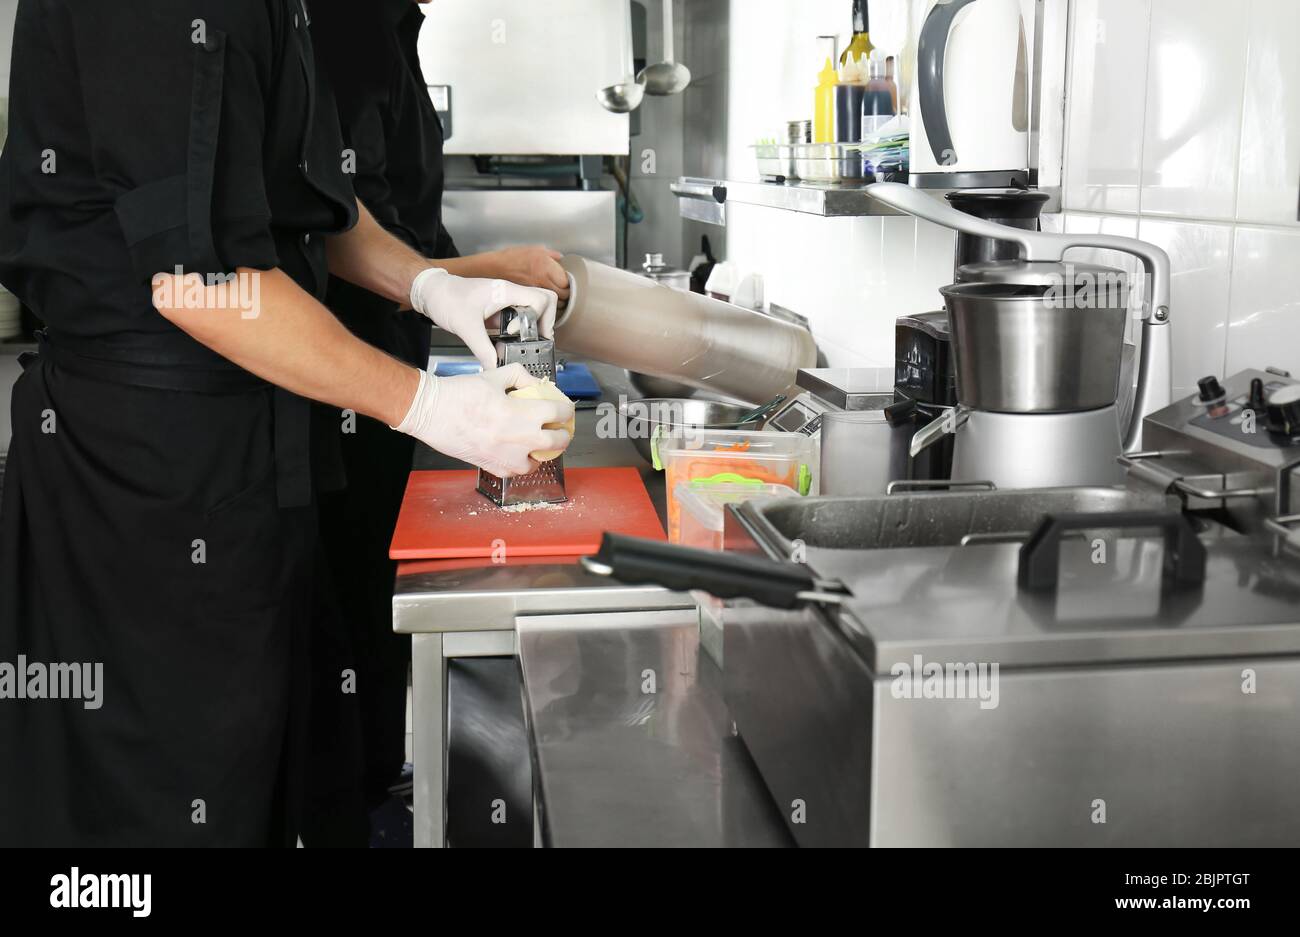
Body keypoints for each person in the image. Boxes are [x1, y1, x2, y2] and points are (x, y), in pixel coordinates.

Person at [0, 0, 573, 847]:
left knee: (265, 777)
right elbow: (200, 282)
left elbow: (307, 209)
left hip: (250, 455)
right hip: (146, 477)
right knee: (157, 801)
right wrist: (430, 405)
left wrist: (431, 286)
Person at [299, 0, 570, 846]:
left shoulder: (390, 25)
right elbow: (334, 234)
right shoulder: (339, 27)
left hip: (389, 363)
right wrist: (435, 388)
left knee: (374, 599)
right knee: (343, 610)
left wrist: (462, 283)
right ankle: (355, 807)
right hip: (339, 377)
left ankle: (378, 782)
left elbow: (400, 237)